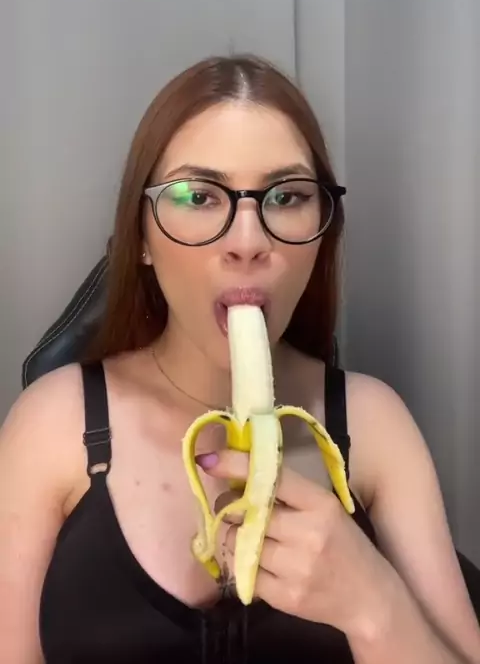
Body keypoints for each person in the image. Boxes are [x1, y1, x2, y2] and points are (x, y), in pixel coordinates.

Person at [0, 56, 479, 664]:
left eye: (287, 196)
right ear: (141, 236)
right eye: (198, 196)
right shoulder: (52, 425)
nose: (248, 242)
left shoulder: (373, 423)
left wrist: (373, 605)